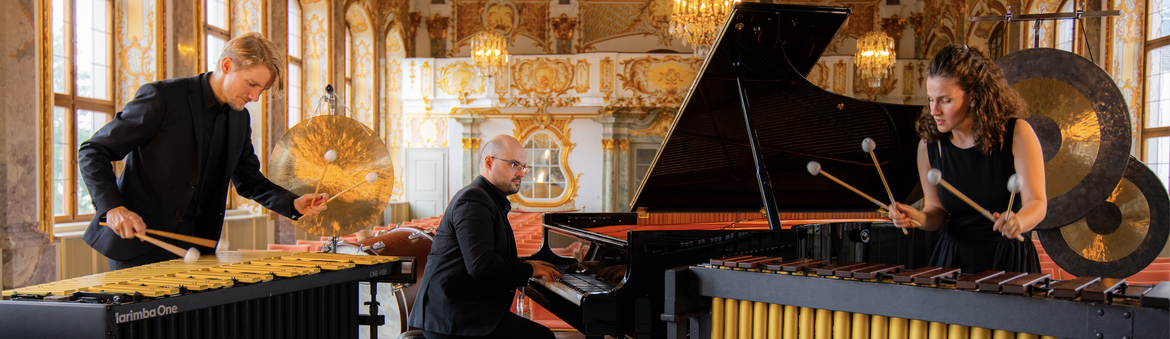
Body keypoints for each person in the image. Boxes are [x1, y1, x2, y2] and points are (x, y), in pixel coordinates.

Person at [79, 32, 327, 270]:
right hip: (139, 245)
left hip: (195, 249)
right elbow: (94, 151)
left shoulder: (239, 120)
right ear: (227, 65)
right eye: (251, 84)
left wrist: (293, 203)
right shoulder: (164, 98)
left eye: (261, 90)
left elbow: (250, 181)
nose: (255, 97)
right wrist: (113, 208)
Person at [889, 44, 1047, 274]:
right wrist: (919, 218)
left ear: (973, 96)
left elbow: (1038, 203)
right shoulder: (930, 146)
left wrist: (1019, 222)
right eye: (931, 99)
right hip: (953, 260)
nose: (934, 110)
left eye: (945, 100)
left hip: (1008, 260)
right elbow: (937, 212)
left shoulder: (1017, 134)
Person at [408, 134, 561, 339]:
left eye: (524, 167)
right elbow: (481, 264)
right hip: (453, 319)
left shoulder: (487, 198)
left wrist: (532, 265)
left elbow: (487, 258)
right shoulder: (474, 198)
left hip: (464, 312)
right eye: (515, 164)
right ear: (489, 162)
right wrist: (530, 268)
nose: (521, 173)